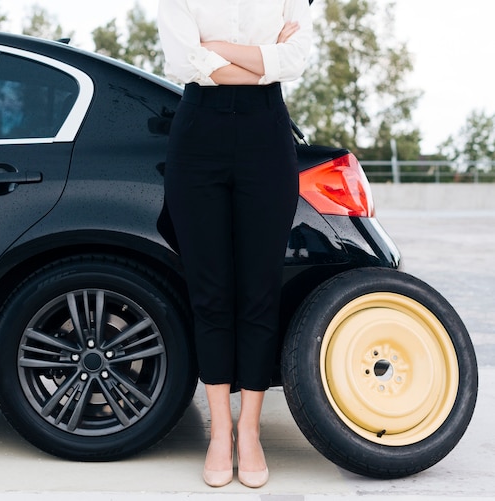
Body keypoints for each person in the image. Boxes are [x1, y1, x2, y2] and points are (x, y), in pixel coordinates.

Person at [157, 0, 313, 489]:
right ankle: (219, 427)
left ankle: (250, 428)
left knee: (259, 289)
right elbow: (182, 64)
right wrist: (262, 58)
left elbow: (296, 62)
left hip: (266, 135)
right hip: (197, 135)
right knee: (210, 291)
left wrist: (218, 50)